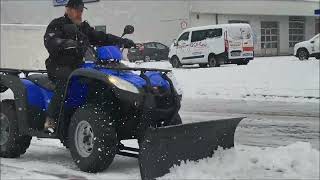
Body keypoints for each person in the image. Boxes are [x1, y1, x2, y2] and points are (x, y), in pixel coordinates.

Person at [43, 0, 135, 133]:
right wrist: (66, 43)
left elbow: (100, 37)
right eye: (77, 10)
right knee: (64, 83)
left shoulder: (83, 27)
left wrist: (121, 41)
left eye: (81, 10)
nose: (80, 13)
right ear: (68, 9)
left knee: (97, 83)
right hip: (59, 66)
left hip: (79, 66)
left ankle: (97, 115)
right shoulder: (57, 24)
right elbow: (50, 41)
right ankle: (51, 120)